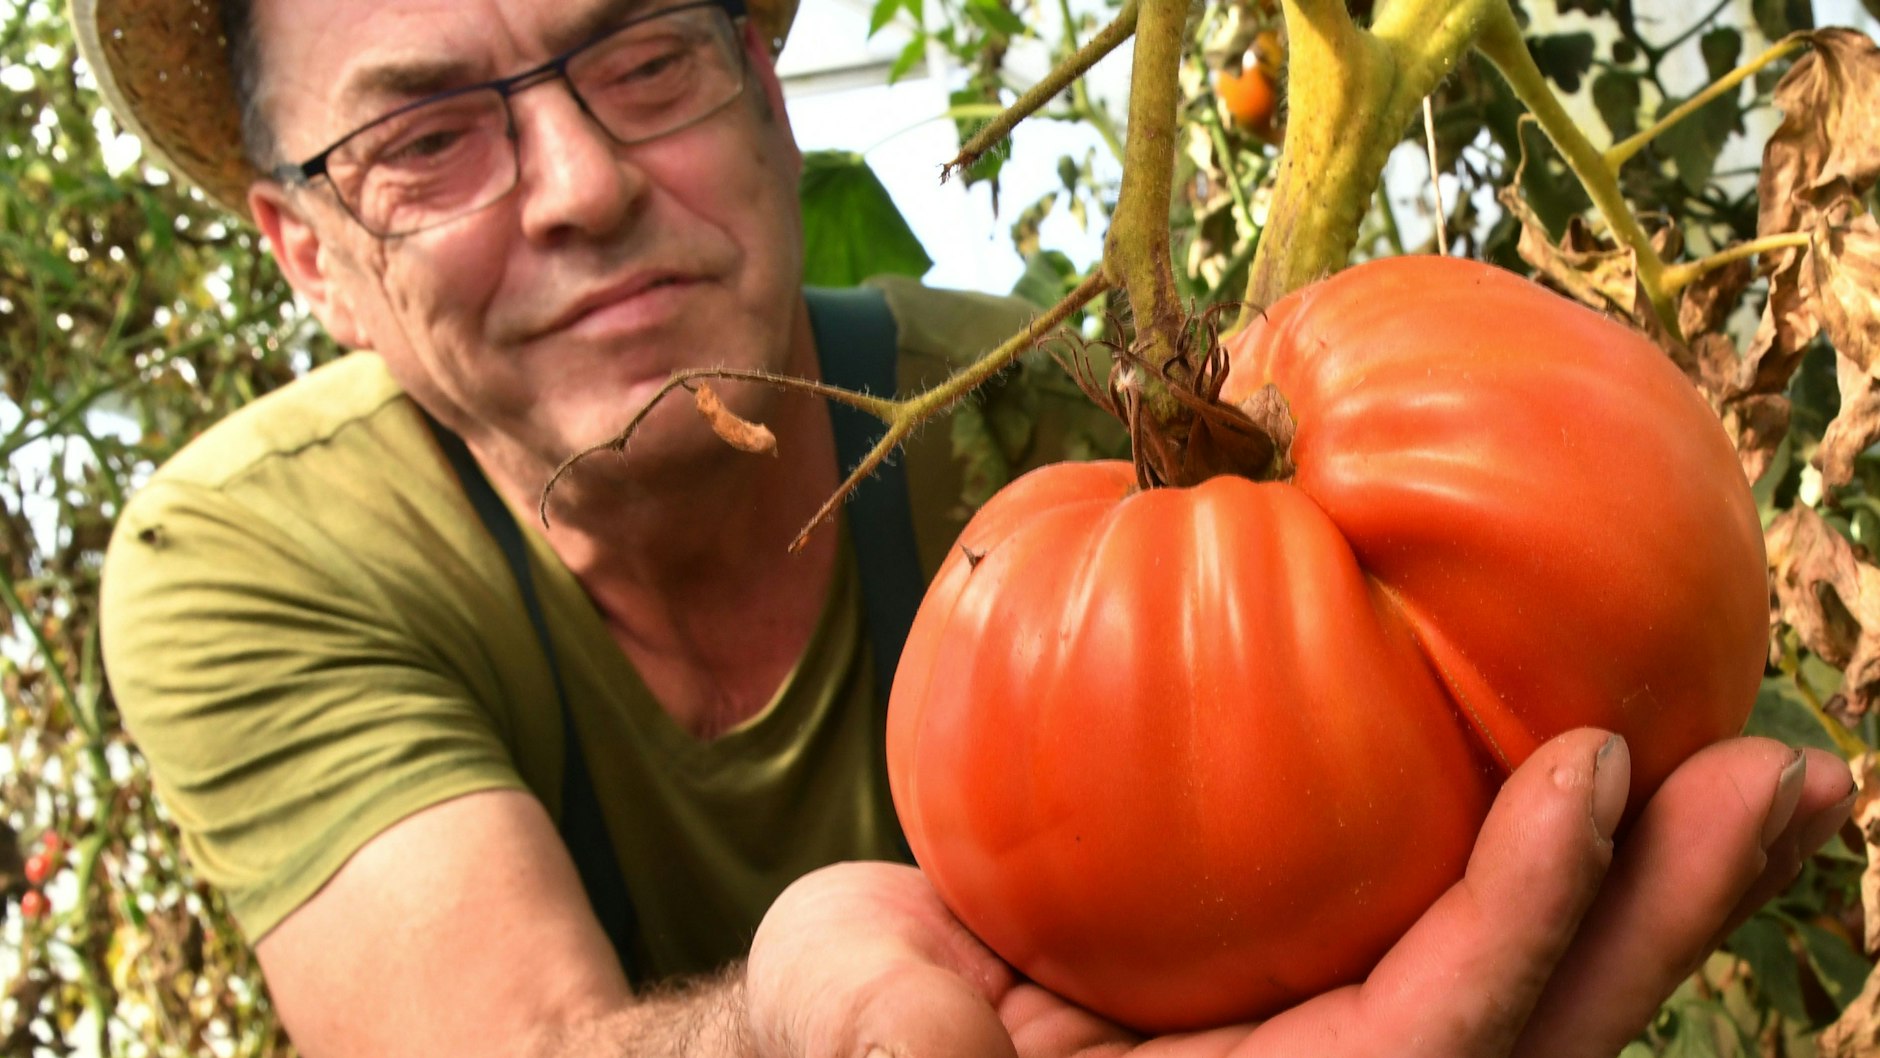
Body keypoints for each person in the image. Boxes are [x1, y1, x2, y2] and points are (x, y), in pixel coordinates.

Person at [79, 0, 1856, 1054]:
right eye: (424, 142)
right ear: (307, 256)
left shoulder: (1039, 412)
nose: (585, 185)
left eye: (645, 57)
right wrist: (788, 1033)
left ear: (766, 86)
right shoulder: (255, 556)